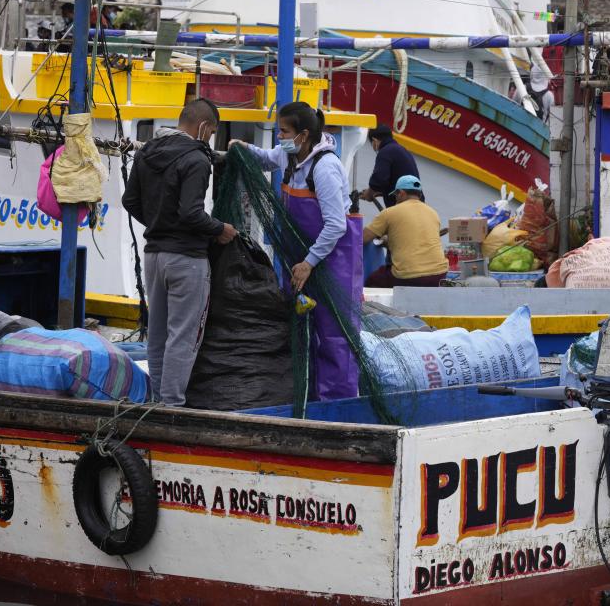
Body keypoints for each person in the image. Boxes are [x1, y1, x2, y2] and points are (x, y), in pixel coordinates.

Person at [229, 101, 362, 402]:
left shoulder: (325, 168)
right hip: (301, 261)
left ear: (303, 135)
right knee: (304, 329)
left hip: (332, 262)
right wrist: (241, 147)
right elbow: (265, 159)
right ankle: (310, 398)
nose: (280, 137)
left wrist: (309, 262)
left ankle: (337, 406)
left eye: (284, 132)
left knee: (333, 334)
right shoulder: (291, 155)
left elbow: (335, 225)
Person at [122, 99, 237, 406]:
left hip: (154, 256)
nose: (210, 140)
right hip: (187, 259)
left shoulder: (146, 151)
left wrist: (160, 221)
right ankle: (172, 405)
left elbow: (129, 201)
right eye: (211, 133)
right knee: (183, 337)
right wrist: (219, 229)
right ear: (203, 127)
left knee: (157, 335)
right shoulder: (198, 160)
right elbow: (191, 213)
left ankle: (159, 403)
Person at [363, 175, 448, 288]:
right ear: (419, 194)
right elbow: (416, 242)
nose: (395, 199)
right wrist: (389, 242)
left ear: (401, 193)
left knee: (373, 280)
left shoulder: (390, 213)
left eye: (395, 195)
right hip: (439, 275)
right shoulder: (433, 213)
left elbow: (362, 239)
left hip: (410, 277)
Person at [360, 124, 420, 208]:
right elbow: (400, 178)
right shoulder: (401, 150)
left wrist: (369, 193)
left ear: (375, 140)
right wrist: (382, 192)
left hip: (403, 206)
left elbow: (379, 180)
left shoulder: (385, 152)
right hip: (417, 203)